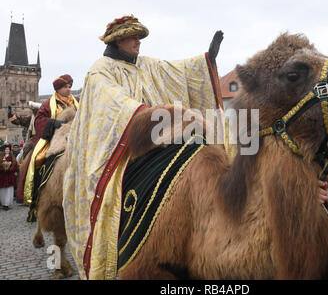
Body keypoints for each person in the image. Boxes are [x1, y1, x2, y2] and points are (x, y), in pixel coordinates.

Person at [62, 15, 225, 280]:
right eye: (134, 37)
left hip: (150, 137)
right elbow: (112, 104)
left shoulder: (145, 65)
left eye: (140, 37)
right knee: (41, 152)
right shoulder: (100, 70)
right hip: (118, 146)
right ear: (118, 40)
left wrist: (206, 60)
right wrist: (145, 115)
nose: (139, 42)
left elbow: (177, 71)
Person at [23, 74, 79, 217]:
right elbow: (39, 120)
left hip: (76, 138)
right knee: (37, 160)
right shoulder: (48, 104)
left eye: (70, 86)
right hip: (54, 139)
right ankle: (35, 201)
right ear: (58, 89)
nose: (68, 89)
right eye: (66, 87)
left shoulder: (77, 102)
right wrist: (53, 123)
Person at [0, 145, 18, 210]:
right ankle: (3, 203)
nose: (7, 151)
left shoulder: (12, 157)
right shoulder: (1, 157)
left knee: (9, 190)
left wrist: (10, 169)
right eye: (6, 150)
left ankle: (7, 203)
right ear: (4, 150)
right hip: (3, 176)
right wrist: (3, 169)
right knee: (3, 190)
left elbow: (15, 165)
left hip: (10, 176)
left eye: (8, 149)